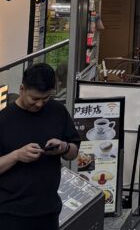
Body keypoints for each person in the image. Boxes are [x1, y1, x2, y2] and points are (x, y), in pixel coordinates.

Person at [0, 63, 81, 230]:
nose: (39, 104)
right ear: (22, 89)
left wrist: (64, 147)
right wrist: (16, 155)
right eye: (34, 99)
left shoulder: (58, 111)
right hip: (10, 213)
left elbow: (73, 152)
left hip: (49, 210)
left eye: (46, 98)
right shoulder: (4, 120)